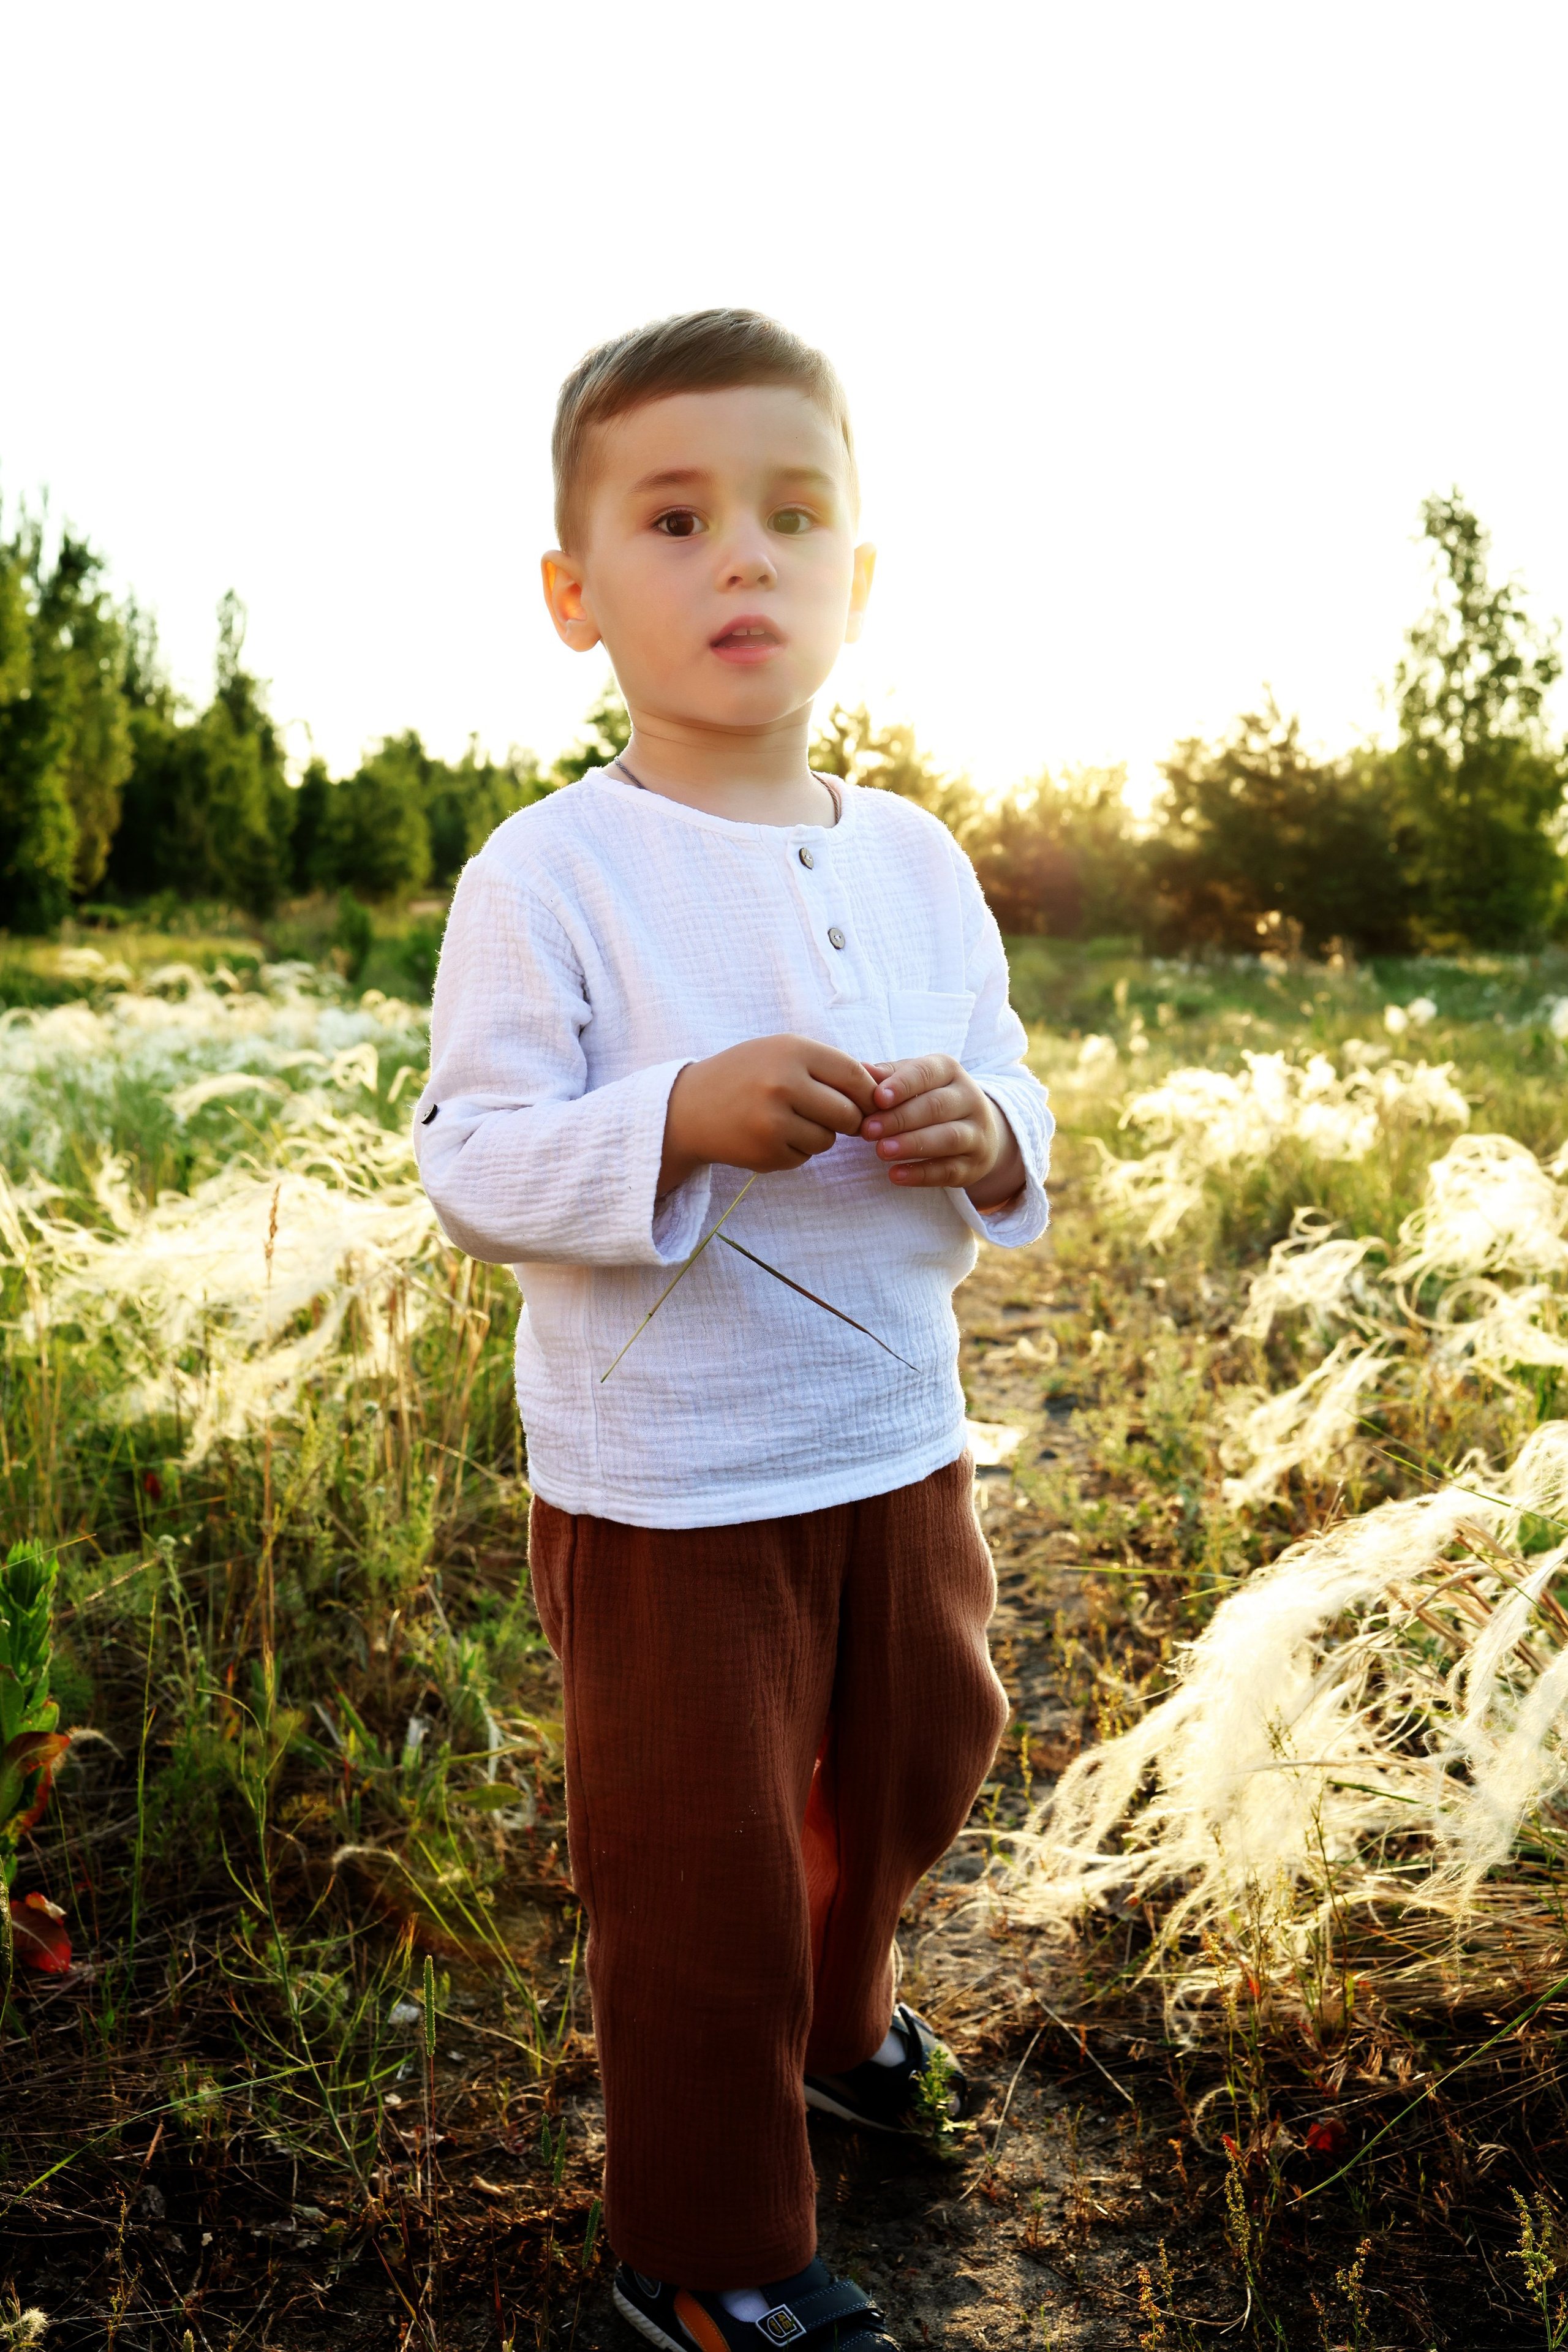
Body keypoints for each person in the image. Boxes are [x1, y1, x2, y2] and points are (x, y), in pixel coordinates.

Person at [415, 309, 1053, 2352]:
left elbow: (1014, 1080)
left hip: (895, 1435)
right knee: (695, 1881)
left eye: (794, 516)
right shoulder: (554, 875)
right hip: (671, 1479)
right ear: (574, 594)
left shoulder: (920, 860)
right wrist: (673, 1117)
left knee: (923, 1754)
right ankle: (703, 2245)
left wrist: (988, 1133)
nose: (742, 561)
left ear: (859, 577)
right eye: (676, 519)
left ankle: (841, 2011)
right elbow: (476, 1155)